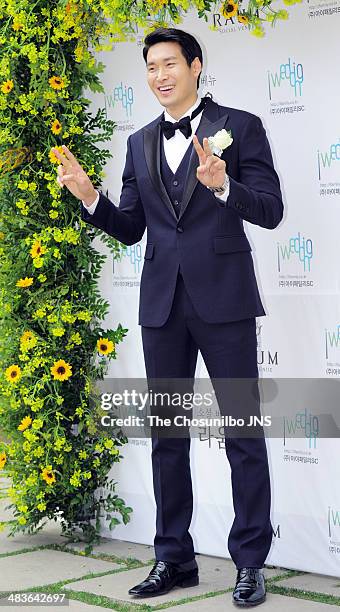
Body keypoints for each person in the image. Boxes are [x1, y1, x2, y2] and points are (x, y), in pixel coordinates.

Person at [52, 27, 283, 607]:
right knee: (166, 438)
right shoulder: (137, 143)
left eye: (170, 64)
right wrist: (90, 198)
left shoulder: (242, 126)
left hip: (225, 302)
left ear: (196, 66)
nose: (159, 75)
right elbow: (132, 226)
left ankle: (250, 562)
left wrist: (225, 184)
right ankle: (172, 558)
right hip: (161, 306)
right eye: (151, 66)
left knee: (242, 436)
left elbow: (273, 210)